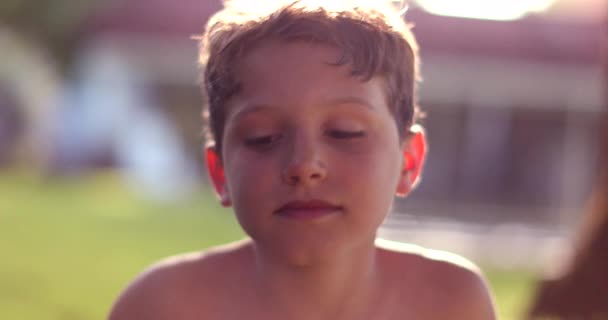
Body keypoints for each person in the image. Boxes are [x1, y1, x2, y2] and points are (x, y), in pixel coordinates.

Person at [109, 1, 497, 319]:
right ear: (220, 171)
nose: (304, 164)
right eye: (263, 138)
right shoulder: (161, 307)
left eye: (345, 132)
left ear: (408, 161)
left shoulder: (451, 303)